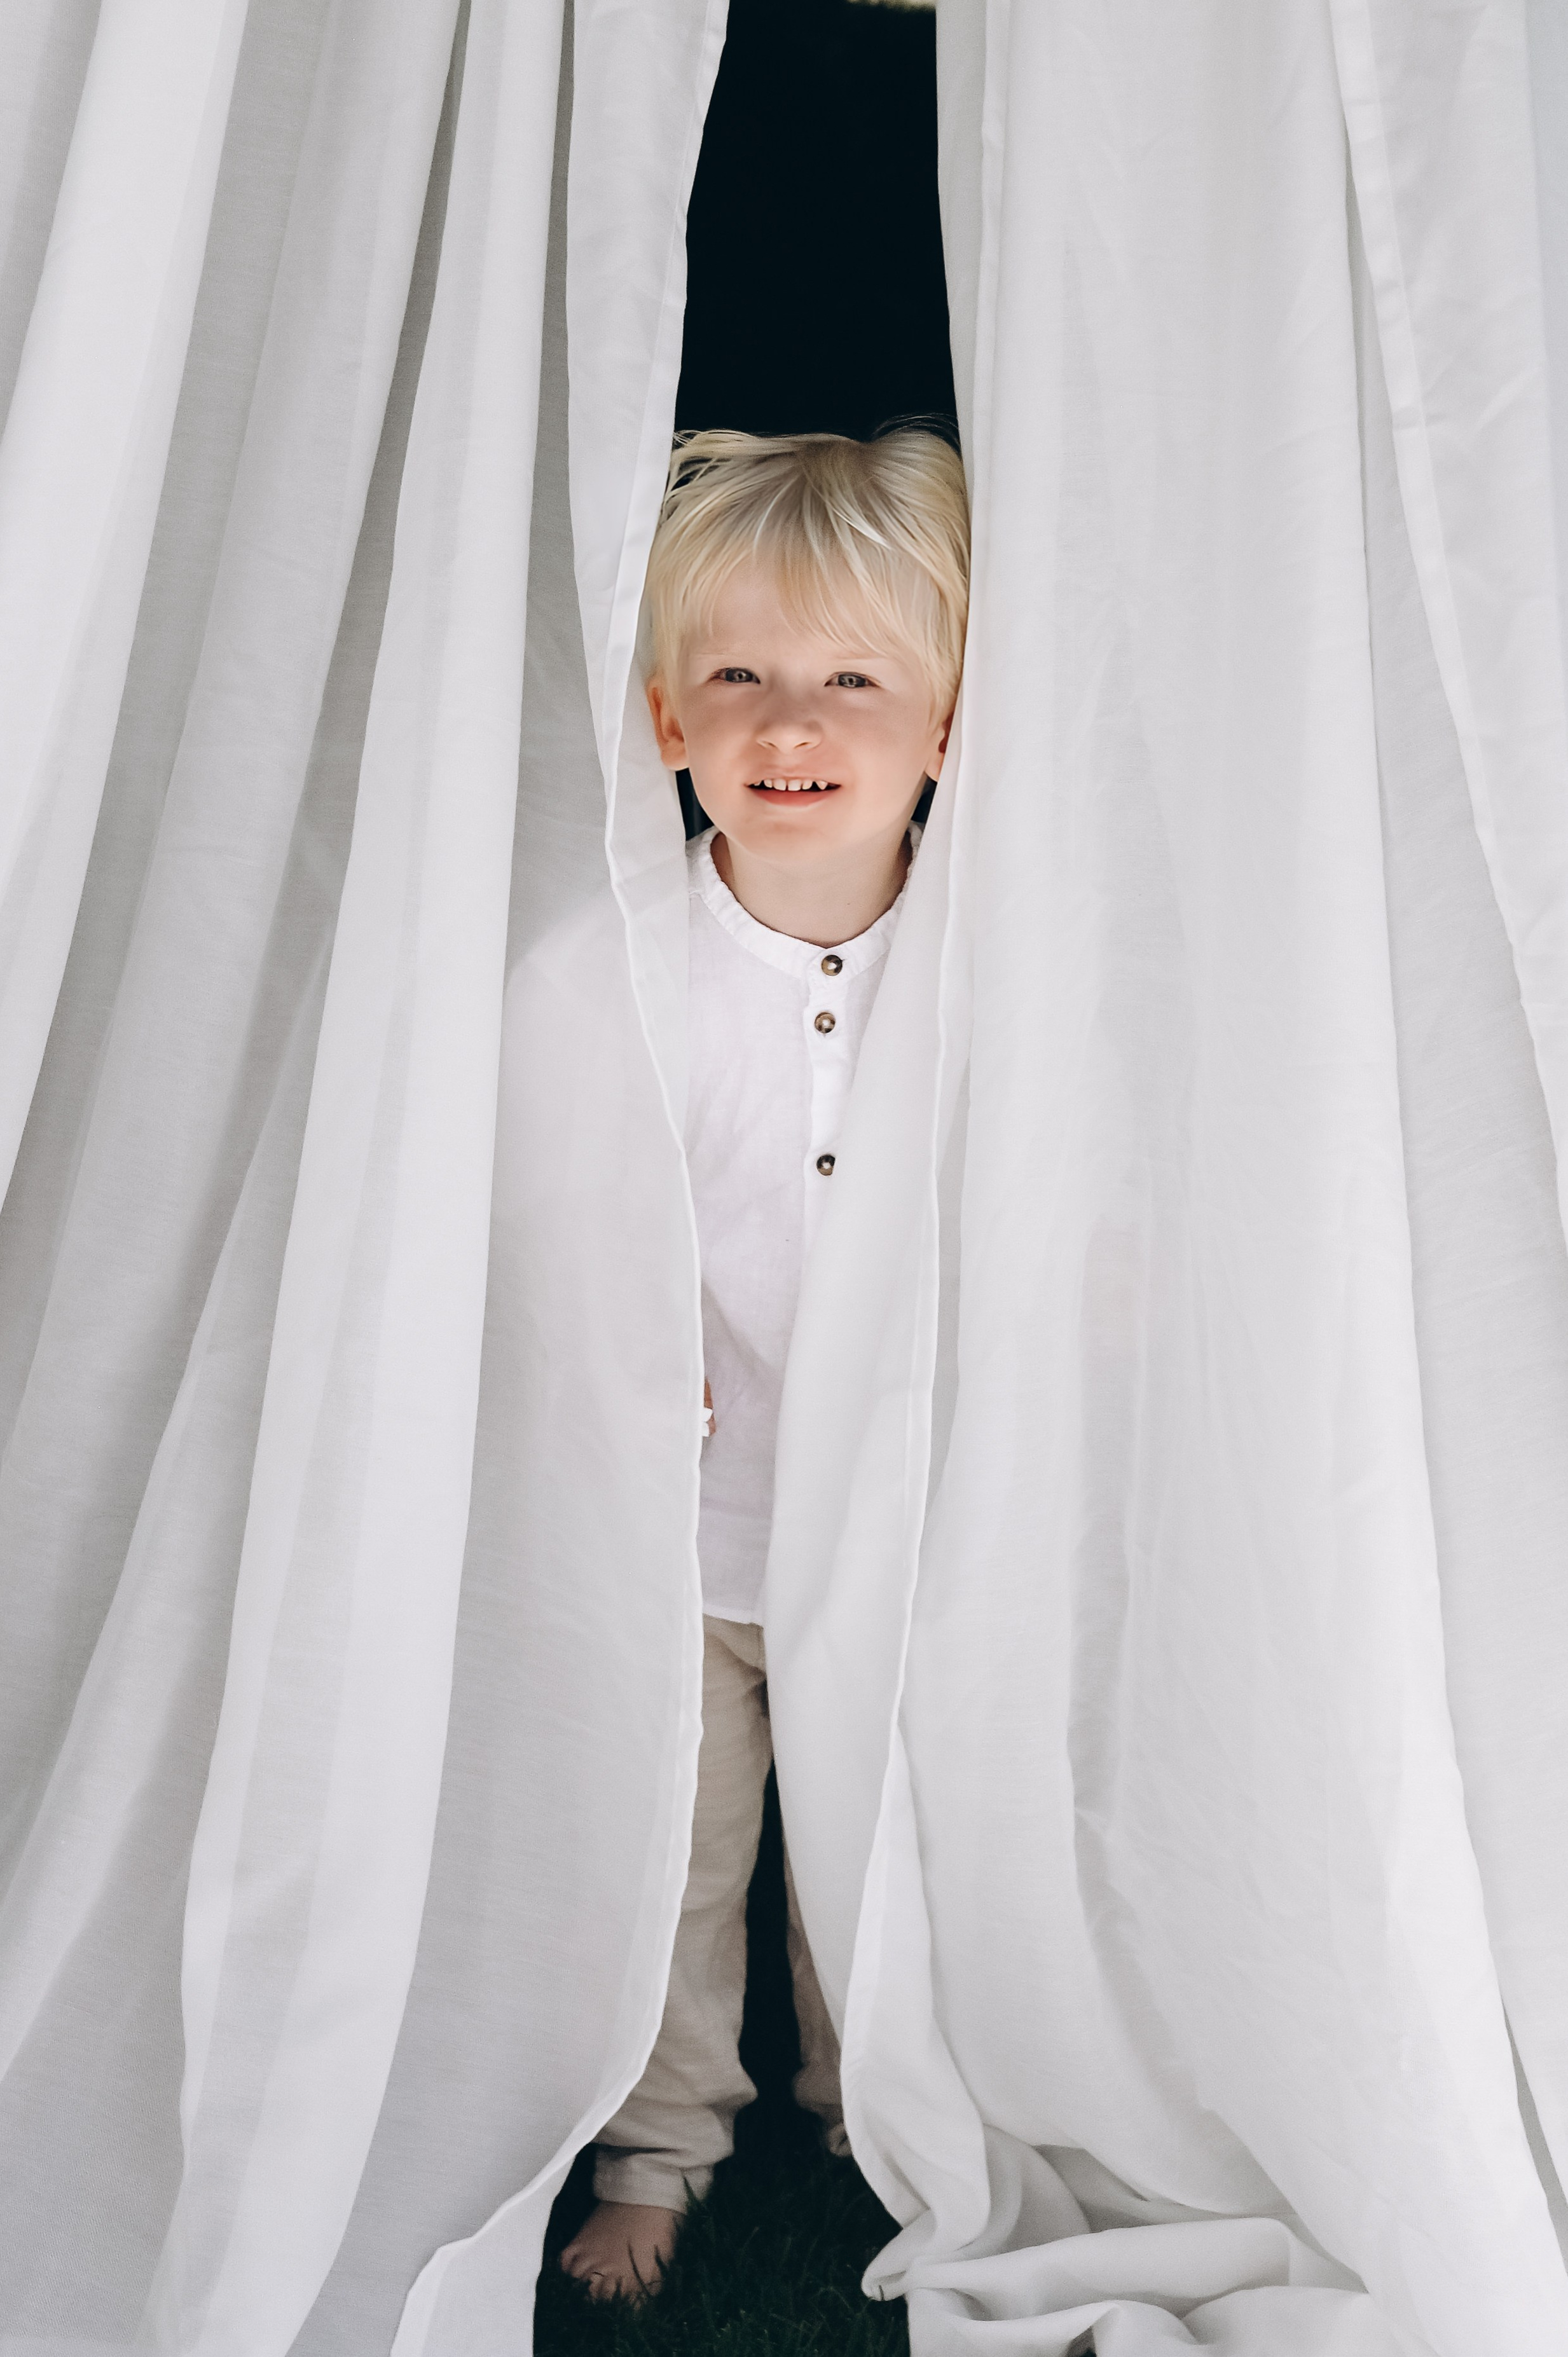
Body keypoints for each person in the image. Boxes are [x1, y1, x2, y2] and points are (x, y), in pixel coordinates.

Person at [560, 427, 970, 2302]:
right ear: (663, 712)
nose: (789, 719)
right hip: (695, 1522)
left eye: (852, 679)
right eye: (737, 673)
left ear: (946, 728)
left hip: (896, 1520)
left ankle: (871, 2116)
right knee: (684, 1853)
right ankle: (660, 2143)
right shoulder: (626, 961)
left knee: (882, 1858)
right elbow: (558, 1206)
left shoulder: (983, 967)